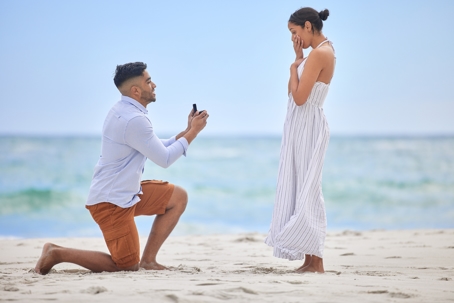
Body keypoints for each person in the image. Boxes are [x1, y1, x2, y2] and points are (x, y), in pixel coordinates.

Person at [35, 62, 209, 274]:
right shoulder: (133, 119)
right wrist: (194, 132)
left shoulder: (124, 111)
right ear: (136, 90)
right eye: (148, 81)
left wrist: (187, 129)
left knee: (177, 197)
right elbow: (164, 159)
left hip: (126, 193)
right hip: (111, 203)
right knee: (126, 266)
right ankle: (56, 253)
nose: (154, 85)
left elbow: (155, 146)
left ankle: (149, 261)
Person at [265, 7, 336, 273]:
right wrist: (297, 60)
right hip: (301, 124)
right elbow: (291, 91)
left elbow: (299, 97)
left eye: (295, 32)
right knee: (300, 187)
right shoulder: (315, 53)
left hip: (308, 124)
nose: (294, 38)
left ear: (308, 26)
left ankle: (316, 261)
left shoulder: (321, 53)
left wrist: (295, 65)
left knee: (309, 190)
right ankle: (309, 259)